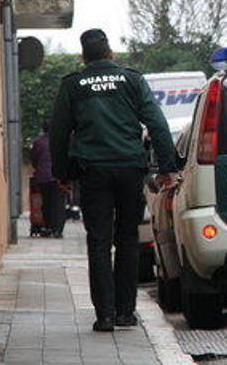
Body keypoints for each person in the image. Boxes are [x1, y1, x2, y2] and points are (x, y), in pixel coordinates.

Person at [50, 29, 178, 332]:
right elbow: (157, 123)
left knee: (98, 241)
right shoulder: (131, 79)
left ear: (84, 56)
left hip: (93, 171)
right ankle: (125, 313)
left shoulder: (73, 84)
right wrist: (166, 166)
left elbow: (58, 132)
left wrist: (63, 174)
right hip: (129, 168)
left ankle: (105, 315)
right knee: (128, 239)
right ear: (110, 53)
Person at [30, 120, 65, 237]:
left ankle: (47, 227)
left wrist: (39, 167)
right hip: (58, 176)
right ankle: (57, 229)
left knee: (45, 203)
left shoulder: (38, 142)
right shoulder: (60, 141)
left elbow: (34, 160)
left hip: (42, 177)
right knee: (58, 204)